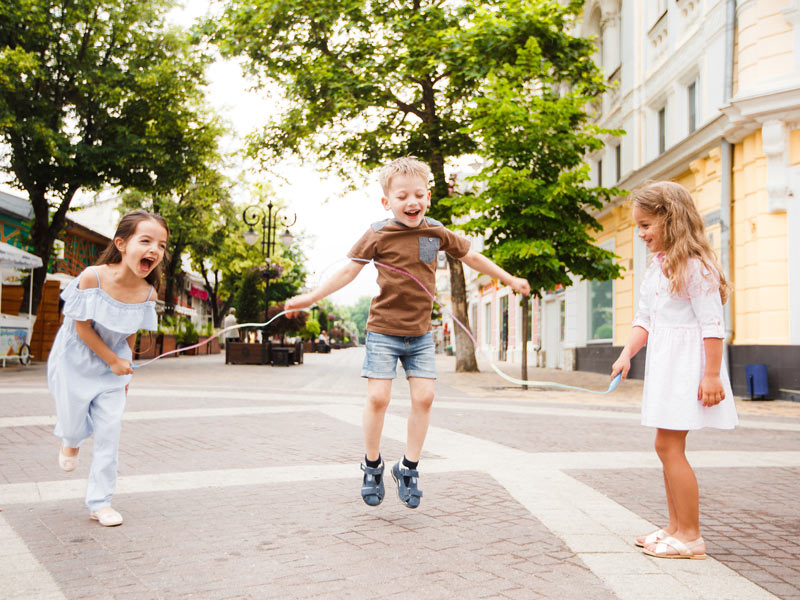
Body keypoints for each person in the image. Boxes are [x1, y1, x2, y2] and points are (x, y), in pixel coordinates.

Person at [286, 156, 530, 509]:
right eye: (402, 197)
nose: (411, 202)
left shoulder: (435, 231)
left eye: (418, 195)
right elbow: (348, 272)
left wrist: (508, 278)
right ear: (387, 202)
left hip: (419, 334)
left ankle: (408, 467)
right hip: (384, 329)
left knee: (425, 398)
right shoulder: (377, 234)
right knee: (378, 398)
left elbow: (472, 257)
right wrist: (309, 298)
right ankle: (372, 465)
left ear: (428, 197)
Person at [611, 181, 738, 559]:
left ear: (671, 218)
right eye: (638, 226)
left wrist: (712, 375)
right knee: (664, 445)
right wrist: (626, 354)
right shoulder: (658, 266)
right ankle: (675, 526)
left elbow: (713, 326)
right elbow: (645, 319)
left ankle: (692, 537)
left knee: (669, 445)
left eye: (646, 225)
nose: (642, 234)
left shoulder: (696, 267)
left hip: (688, 367)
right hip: (666, 364)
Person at [48, 210, 168, 527]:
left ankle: (100, 502)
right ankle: (70, 439)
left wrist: (122, 363)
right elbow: (82, 329)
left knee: (109, 432)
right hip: (76, 358)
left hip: (112, 365)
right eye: (146, 241)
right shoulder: (93, 277)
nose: (155, 250)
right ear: (121, 244)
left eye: (162, 245)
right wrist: (113, 360)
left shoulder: (147, 293)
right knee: (73, 424)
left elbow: (129, 331)